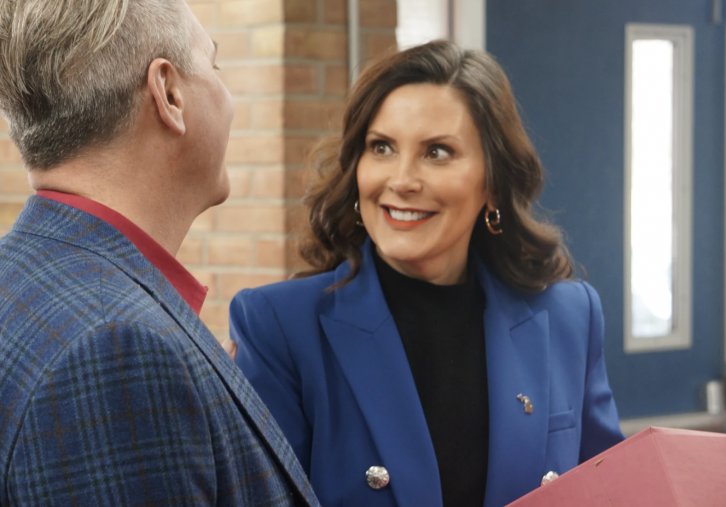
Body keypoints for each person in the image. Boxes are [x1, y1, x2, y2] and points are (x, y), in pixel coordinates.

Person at [231, 41, 623, 507]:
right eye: (382, 148)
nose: (401, 180)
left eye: (437, 152)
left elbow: (614, 490)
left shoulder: (571, 316)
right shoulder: (278, 326)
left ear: (493, 184)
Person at [0, 1, 318, 505]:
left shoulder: (25, 278)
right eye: (212, 65)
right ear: (169, 93)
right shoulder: (114, 347)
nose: (226, 95)